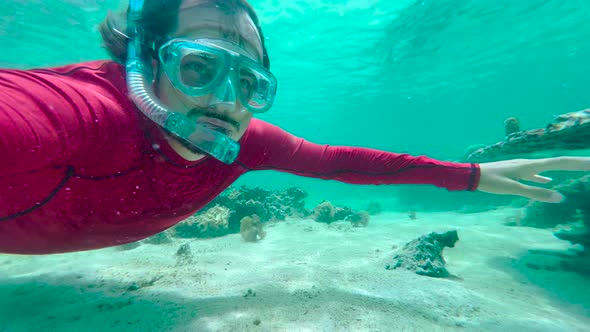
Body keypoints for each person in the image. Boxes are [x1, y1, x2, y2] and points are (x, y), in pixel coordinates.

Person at [0, 0, 588, 255]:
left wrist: (474, 175)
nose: (226, 102)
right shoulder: (80, 114)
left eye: (249, 83)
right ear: (144, 61)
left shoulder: (244, 146)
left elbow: (340, 161)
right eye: (200, 68)